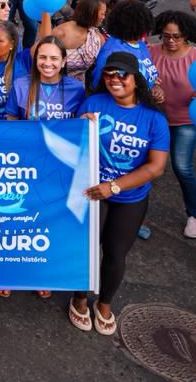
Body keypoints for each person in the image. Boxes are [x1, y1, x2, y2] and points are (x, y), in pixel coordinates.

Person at [69, 50, 168, 337]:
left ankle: (104, 304)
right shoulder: (94, 103)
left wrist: (113, 187)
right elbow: (74, 146)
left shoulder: (154, 119)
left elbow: (156, 167)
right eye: (109, 75)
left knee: (116, 254)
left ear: (136, 79)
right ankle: (79, 298)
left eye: (121, 75)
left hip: (129, 198)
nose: (114, 80)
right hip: (90, 192)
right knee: (86, 249)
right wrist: (79, 126)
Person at [148, 11, 196, 238]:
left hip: (184, 121)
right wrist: (151, 90)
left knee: (182, 167)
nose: (171, 41)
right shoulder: (150, 52)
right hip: (154, 118)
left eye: (177, 36)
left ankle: (194, 216)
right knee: (141, 166)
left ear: (187, 35)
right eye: (166, 36)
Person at [7, 36, 85, 121]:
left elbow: (80, 124)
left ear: (63, 61)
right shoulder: (20, 85)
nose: (47, 63)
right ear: (36, 59)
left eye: (54, 58)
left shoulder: (77, 88)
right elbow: (11, 123)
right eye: (43, 57)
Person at [90, 0, 159, 89]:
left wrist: (155, 86)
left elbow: (149, 75)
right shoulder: (111, 53)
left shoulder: (140, 44)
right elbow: (100, 87)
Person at [43, 0, 106, 83]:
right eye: (102, 14)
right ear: (92, 12)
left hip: (78, 90)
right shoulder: (61, 33)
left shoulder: (97, 38)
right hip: (54, 85)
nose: (104, 17)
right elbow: (42, 54)